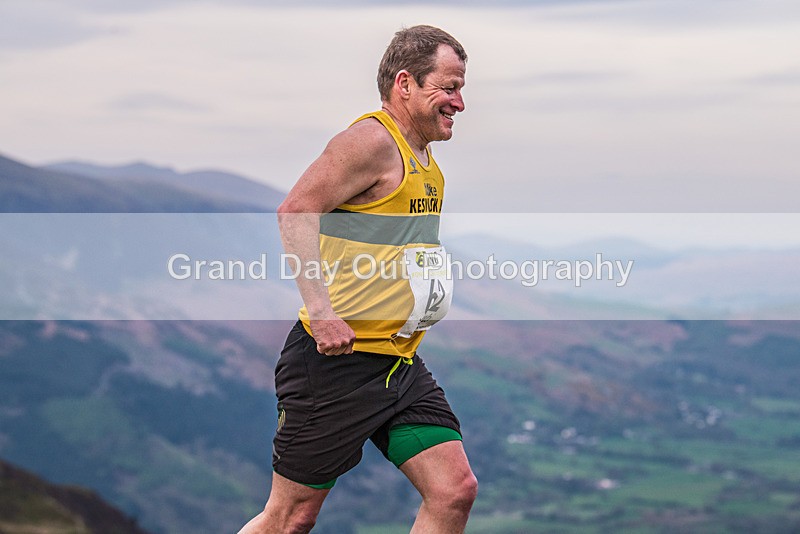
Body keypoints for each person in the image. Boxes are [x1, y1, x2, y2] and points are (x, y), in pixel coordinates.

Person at [239, 25, 477, 534]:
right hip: (336, 365)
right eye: (449, 86)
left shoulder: (425, 160)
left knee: (454, 491)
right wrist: (322, 313)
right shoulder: (370, 141)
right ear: (405, 83)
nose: (460, 102)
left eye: (461, 87)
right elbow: (296, 210)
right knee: (290, 518)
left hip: (398, 364)